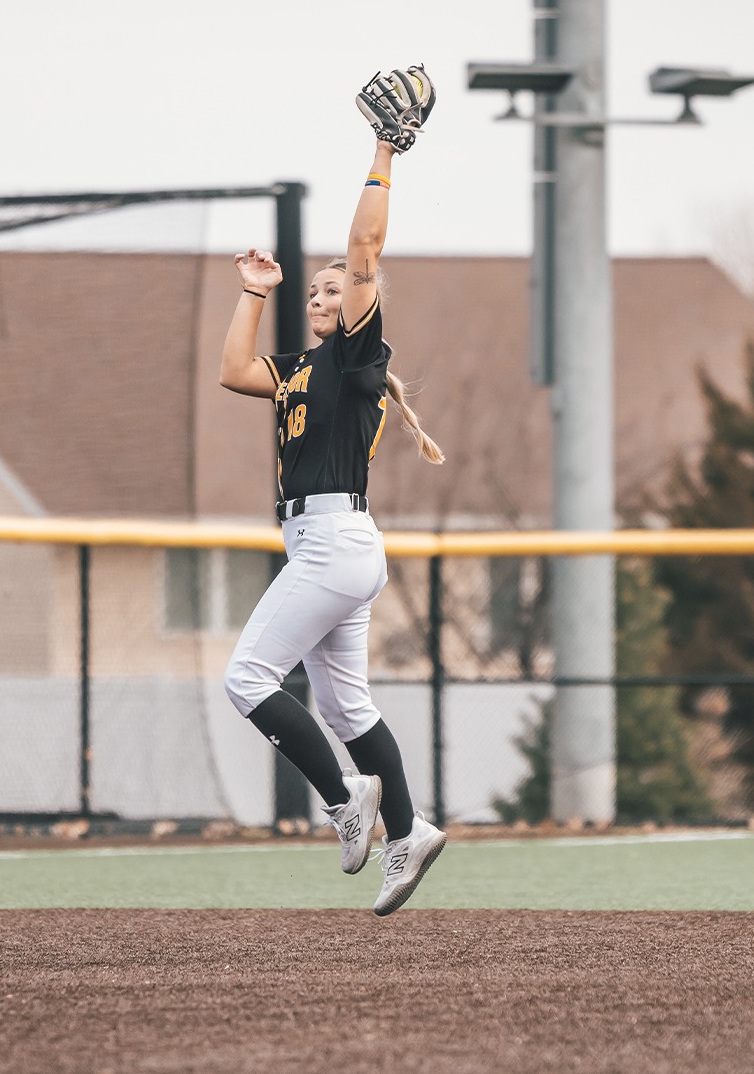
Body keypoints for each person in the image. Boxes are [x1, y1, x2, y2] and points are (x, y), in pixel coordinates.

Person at [216, 74, 447, 916]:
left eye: (332, 290)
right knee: (346, 703)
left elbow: (364, 253)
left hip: (335, 543)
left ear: (354, 305)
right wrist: (254, 293)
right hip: (329, 548)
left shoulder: (352, 358)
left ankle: (347, 803)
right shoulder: (301, 370)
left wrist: (384, 149)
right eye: (312, 292)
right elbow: (235, 371)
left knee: (247, 679)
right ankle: (411, 829)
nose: (325, 295)